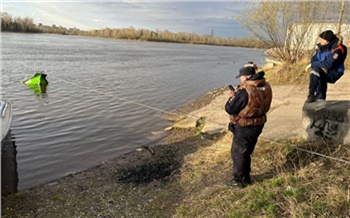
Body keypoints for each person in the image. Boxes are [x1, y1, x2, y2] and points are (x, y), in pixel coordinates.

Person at [225, 66, 272, 189]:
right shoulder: (265, 86)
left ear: (246, 77)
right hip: (258, 123)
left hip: (245, 126)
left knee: (238, 153)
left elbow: (230, 109)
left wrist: (232, 98)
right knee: (246, 152)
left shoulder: (245, 91)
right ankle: (246, 177)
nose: (240, 79)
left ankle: (239, 180)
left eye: (241, 77)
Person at [305, 30, 348, 103]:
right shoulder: (320, 48)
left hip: (335, 72)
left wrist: (314, 65)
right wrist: (317, 64)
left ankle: (315, 96)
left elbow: (328, 64)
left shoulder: (337, 50)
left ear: (327, 41)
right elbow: (313, 60)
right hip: (323, 70)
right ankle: (315, 97)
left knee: (316, 70)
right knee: (317, 71)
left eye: (322, 39)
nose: (319, 40)